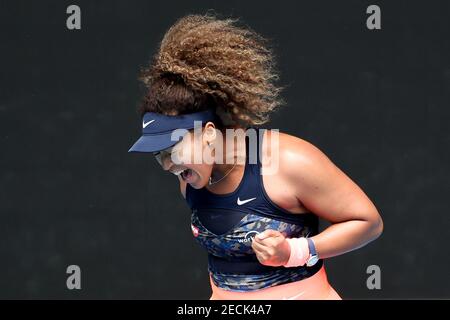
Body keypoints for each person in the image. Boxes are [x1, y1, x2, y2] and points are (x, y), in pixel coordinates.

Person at [128, 13, 383, 300]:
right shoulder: (190, 178)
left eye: (172, 150)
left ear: (208, 134)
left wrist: (294, 251)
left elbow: (368, 223)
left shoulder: (289, 160)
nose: (166, 165)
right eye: (159, 154)